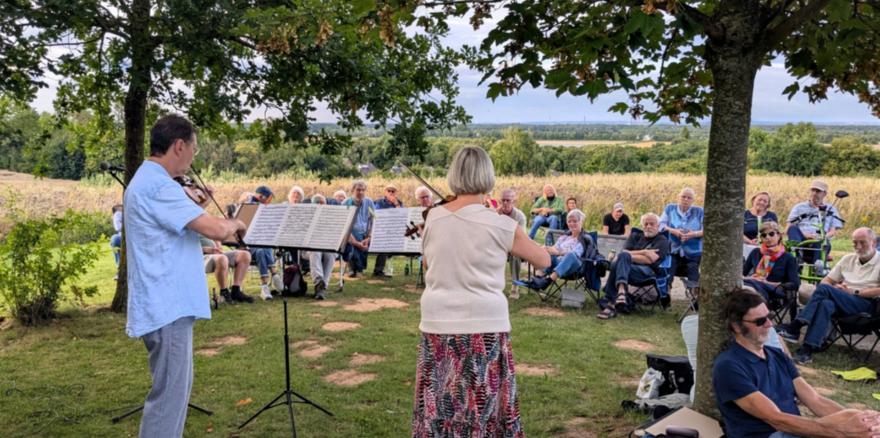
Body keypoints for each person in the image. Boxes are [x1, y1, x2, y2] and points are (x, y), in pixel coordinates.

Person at [413, 146, 549, 437]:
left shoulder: (433, 218)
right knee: (482, 406)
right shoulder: (501, 224)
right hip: (484, 326)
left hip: (437, 323)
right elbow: (543, 260)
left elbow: (428, 264)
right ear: (488, 177)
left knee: (442, 404)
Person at [124, 114, 246, 437]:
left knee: (173, 396)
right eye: (194, 149)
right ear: (179, 146)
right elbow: (217, 228)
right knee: (168, 402)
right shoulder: (158, 185)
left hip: (167, 305)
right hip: (168, 306)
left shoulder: (151, 181)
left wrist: (199, 205)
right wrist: (237, 223)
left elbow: (180, 227)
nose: (194, 157)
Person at [713, 291, 880, 438]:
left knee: (859, 420)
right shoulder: (729, 366)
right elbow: (776, 419)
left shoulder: (777, 355)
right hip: (770, 434)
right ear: (736, 326)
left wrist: (861, 420)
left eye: (769, 317)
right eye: (760, 321)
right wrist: (840, 431)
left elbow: (815, 400)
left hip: (793, 431)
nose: (770, 324)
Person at [778, 228, 880, 364]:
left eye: (863, 242)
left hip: (865, 304)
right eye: (855, 243)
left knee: (825, 290)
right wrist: (836, 288)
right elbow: (826, 281)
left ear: (873, 242)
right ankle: (807, 349)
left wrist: (854, 292)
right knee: (826, 304)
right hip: (842, 300)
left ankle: (796, 326)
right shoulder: (848, 259)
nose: (858, 246)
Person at [597, 213, 669, 319]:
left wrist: (629, 255)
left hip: (647, 273)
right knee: (621, 261)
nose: (648, 226)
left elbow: (651, 259)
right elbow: (624, 252)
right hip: (627, 270)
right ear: (642, 225)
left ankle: (612, 299)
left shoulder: (662, 240)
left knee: (619, 262)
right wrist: (645, 251)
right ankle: (619, 297)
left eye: (652, 224)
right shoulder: (635, 236)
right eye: (646, 224)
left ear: (658, 226)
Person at [523, 209, 592, 291]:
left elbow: (576, 254)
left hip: (575, 268)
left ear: (581, 221)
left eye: (575, 221)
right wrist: (547, 248)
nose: (572, 224)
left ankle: (547, 281)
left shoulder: (585, 238)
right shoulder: (564, 237)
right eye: (569, 221)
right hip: (558, 264)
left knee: (571, 255)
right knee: (547, 251)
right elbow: (554, 249)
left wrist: (558, 252)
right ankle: (537, 279)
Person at [786, 180, 843, 263]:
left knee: (820, 243)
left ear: (824, 194)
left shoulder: (831, 209)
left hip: (819, 240)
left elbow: (833, 231)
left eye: (818, 191)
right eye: (813, 190)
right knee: (792, 228)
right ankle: (797, 255)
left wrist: (821, 237)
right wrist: (805, 235)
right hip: (801, 239)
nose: (814, 193)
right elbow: (788, 227)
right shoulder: (799, 207)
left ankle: (817, 268)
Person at [743, 221, 800, 303]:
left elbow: (795, 284)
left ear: (779, 235)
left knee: (747, 290)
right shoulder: (755, 252)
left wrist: (768, 283)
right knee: (744, 288)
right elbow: (741, 274)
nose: (768, 237)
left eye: (771, 234)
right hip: (753, 285)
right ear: (761, 238)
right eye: (764, 235)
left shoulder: (788, 257)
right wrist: (750, 278)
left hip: (774, 291)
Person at [242, 186, 282, 300]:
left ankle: (264, 286)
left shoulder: (260, 207)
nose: (270, 202)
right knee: (262, 245)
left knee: (261, 249)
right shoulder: (250, 207)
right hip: (248, 246)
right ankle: (274, 274)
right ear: (261, 197)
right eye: (268, 199)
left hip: (260, 247)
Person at [660, 187, 703, 288]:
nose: (686, 200)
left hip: (693, 251)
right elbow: (661, 225)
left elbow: (706, 230)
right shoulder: (670, 208)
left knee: (693, 271)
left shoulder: (699, 211)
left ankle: (694, 297)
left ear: (693, 200)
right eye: (683, 197)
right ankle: (665, 295)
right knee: (668, 270)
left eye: (689, 198)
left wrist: (693, 234)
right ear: (678, 197)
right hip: (673, 249)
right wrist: (673, 230)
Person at [201, 236, 253, 303]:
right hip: (199, 255)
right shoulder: (189, 227)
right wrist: (205, 249)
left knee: (245, 255)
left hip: (215, 253)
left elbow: (216, 237)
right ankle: (224, 292)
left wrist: (218, 245)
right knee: (222, 258)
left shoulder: (206, 226)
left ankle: (236, 291)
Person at [498, 188, 528, 299]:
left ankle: (515, 286)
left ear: (513, 202)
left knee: (515, 255)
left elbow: (521, 237)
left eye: (508, 200)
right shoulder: (495, 213)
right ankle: (494, 286)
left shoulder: (520, 216)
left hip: (515, 245)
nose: (505, 203)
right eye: (503, 200)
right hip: (500, 245)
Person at [342, 180, 375, 278]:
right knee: (355, 236)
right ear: (352, 190)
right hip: (350, 234)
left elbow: (373, 219)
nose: (360, 192)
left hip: (366, 233)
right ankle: (358, 269)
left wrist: (369, 236)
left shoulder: (369, 202)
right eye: (358, 190)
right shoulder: (346, 204)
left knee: (361, 237)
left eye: (363, 190)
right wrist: (356, 242)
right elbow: (345, 226)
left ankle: (354, 269)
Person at [372, 183, 403, 278]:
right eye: (388, 191)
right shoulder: (379, 202)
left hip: (394, 229)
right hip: (381, 229)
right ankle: (378, 270)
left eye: (393, 191)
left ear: (396, 193)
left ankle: (382, 269)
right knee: (384, 246)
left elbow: (402, 215)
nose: (391, 193)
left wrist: (396, 204)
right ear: (385, 192)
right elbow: (376, 215)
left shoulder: (399, 203)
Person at [309, 194, 334, 300]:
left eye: (322, 203)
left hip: (326, 246)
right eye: (317, 203)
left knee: (331, 254)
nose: (320, 205)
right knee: (315, 252)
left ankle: (322, 287)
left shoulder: (330, 218)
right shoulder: (307, 216)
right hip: (309, 248)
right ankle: (319, 283)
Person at [110, 204, 123, 274]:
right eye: (119, 206)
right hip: (122, 236)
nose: (121, 206)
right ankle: (120, 268)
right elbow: (118, 227)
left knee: (114, 239)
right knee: (114, 239)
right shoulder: (118, 214)